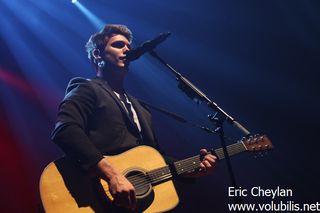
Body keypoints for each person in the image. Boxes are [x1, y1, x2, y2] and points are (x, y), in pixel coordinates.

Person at [51, 24, 217, 211]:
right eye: (119, 45)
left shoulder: (141, 109)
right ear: (98, 55)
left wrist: (192, 168)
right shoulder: (86, 87)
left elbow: (155, 159)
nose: (127, 49)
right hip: (95, 196)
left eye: (128, 46)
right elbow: (65, 130)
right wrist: (113, 175)